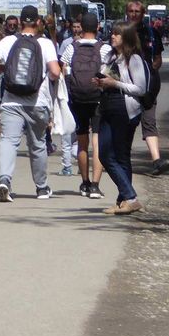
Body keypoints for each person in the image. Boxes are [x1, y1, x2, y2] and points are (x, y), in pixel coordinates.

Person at [0, 5, 61, 202]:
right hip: (37, 101)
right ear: (37, 22)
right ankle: (42, 188)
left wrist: (7, 68)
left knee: (9, 141)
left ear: (19, 22)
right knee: (37, 145)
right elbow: (55, 72)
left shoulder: (8, 41)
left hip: (11, 101)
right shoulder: (45, 44)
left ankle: (5, 180)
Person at [96, 22, 148, 214]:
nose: (113, 36)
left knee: (116, 155)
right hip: (108, 107)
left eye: (117, 34)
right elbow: (108, 80)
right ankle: (126, 199)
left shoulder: (133, 59)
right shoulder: (110, 57)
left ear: (126, 37)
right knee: (107, 153)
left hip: (125, 110)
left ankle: (127, 199)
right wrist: (101, 82)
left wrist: (115, 83)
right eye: (113, 33)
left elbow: (140, 89)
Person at [60, 12, 109, 198]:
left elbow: (63, 69)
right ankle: (96, 186)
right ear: (97, 27)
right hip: (98, 98)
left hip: (78, 99)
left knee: (82, 142)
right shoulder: (105, 49)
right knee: (97, 142)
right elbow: (112, 71)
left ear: (80, 28)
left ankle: (85, 183)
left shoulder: (71, 48)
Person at [125, 0, 169, 175]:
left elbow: (158, 58)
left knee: (149, 122)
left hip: (148, 87)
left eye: (137, 11)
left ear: (143, 13)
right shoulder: (121, 32)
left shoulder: (152, 33)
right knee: (125, 124)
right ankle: (121, 159)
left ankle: (156, 160)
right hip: (126, 85)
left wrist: (151, 70)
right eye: (131, 11)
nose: (134, 14)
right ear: (127, 12)